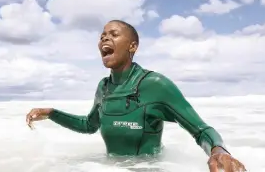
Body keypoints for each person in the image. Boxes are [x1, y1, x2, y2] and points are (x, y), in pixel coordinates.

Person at [26, 20, 247, 172]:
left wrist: (218, 150)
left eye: (113, 34)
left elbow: (201, 130)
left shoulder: (155, 85)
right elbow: (88, 125)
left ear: (133, 46)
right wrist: (52, 114)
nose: (105, 39)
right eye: (102, 35)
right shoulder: (103, 88)